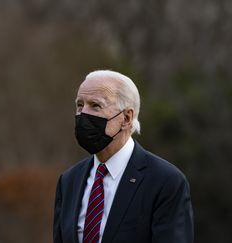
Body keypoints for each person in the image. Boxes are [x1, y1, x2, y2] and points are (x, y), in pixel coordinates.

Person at [53, 70, 193, 243]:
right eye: (80, 105)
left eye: (95, 106)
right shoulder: (69, 180)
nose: (83, 114)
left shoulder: (165, 181)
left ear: (127, 118)